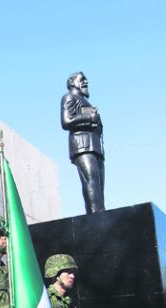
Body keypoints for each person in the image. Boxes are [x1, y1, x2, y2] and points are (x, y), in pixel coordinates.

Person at [61, 72, 105, 214]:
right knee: (90, 180)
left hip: (95, 147)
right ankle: (96, 215)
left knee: (98, 184)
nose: (86, 82)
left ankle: (100, 213)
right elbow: (66, 121)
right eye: (82, 79)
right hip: (82, 145)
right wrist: (89, 117)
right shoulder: (69, 97)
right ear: (73, 82)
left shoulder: (86, 102)